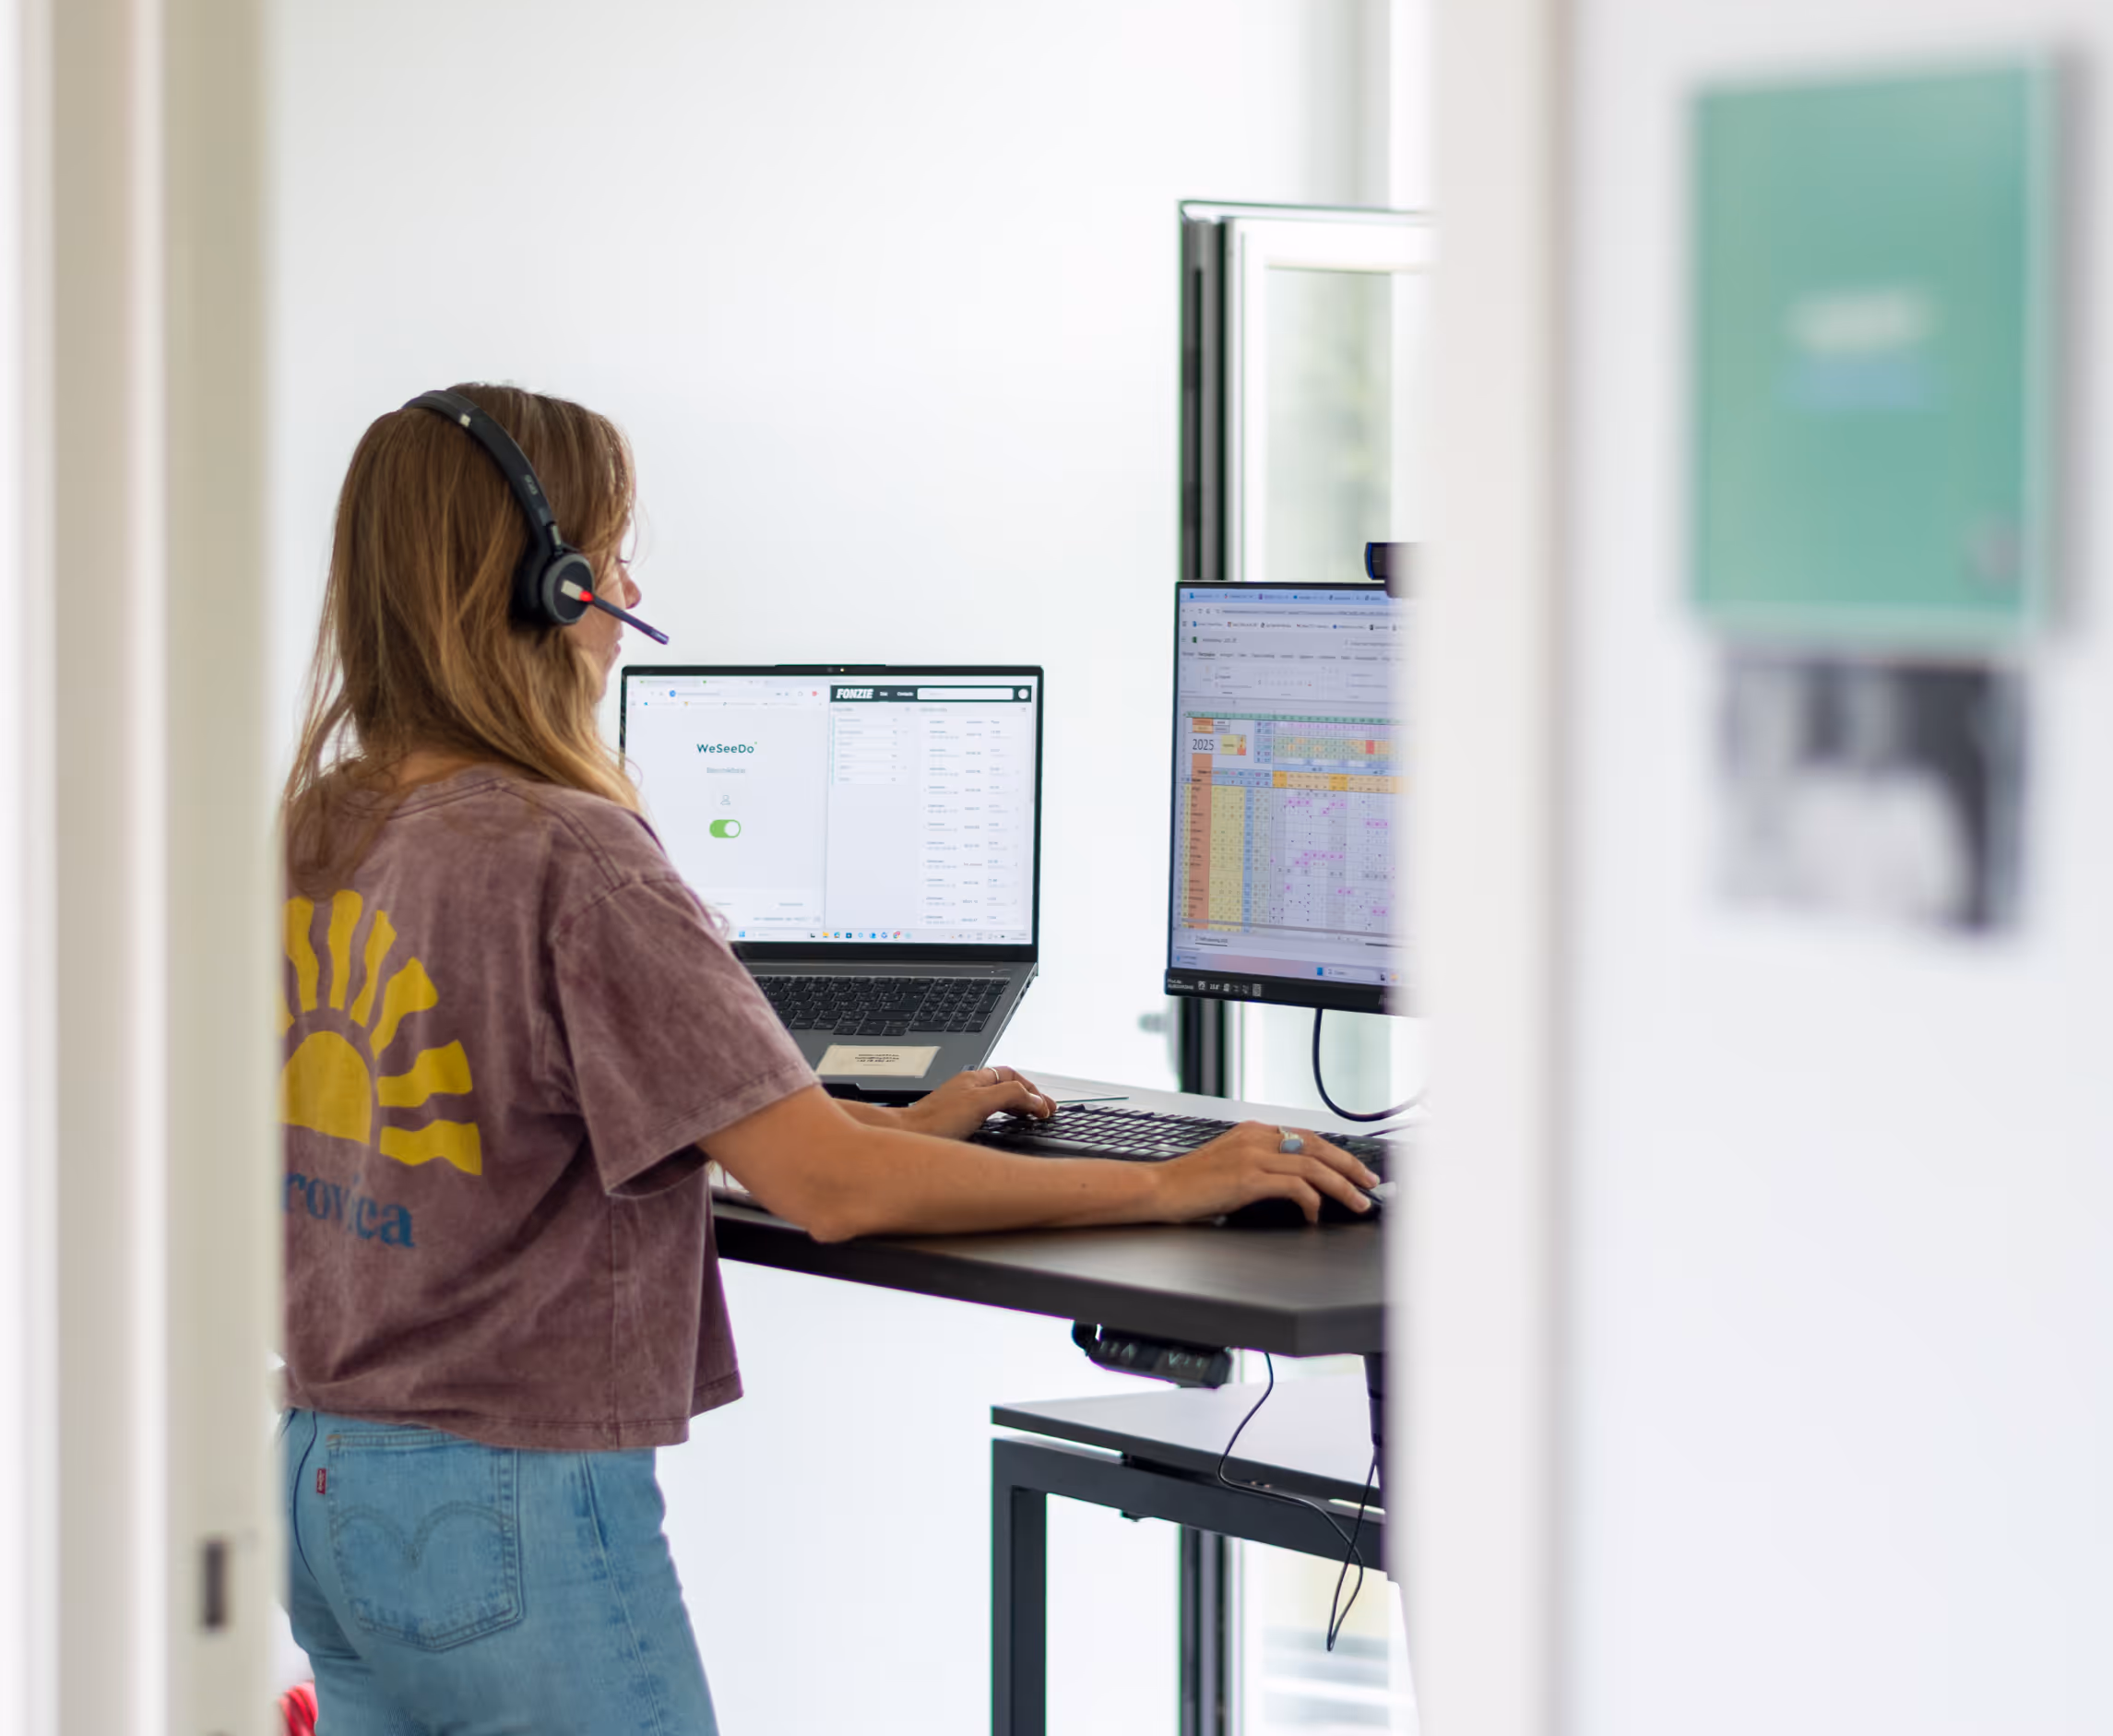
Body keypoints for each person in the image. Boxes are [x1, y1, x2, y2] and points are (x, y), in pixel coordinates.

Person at [275, 383, 1380, 1733]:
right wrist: (1170, 1183)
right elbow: (828, 1193)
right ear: (548, 588)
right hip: (504, 1503)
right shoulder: (572, 855)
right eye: (610, 553)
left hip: (324, 1482)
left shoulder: (319, 828)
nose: (629, 590)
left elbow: (506, 1124)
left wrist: (893, 1129)